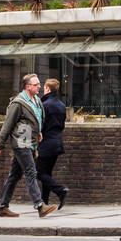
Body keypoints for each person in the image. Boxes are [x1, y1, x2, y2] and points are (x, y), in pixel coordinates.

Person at [0, 73, 57, 218]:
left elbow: (36, 119)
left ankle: (3, 206)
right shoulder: (18, 103)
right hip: (21, 142)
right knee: (30, 171)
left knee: (14, 175)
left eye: (39, 84)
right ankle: (40, 205)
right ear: (28, 87)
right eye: (36, 85)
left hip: (31, 141)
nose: (39, 87)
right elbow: (7, 125)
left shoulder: (37, 101)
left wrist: (38, 132)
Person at [36, 78, 69, 210]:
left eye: (44, 88)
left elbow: (40, 125)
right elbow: (62, 125)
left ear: (48, 89)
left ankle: (60, 190)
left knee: (38, 172)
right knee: (46, 173)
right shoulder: (61, 105)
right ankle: (44, 203)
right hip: (57, 143)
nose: (43, 90)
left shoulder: (44, 105)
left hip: (46, 143)